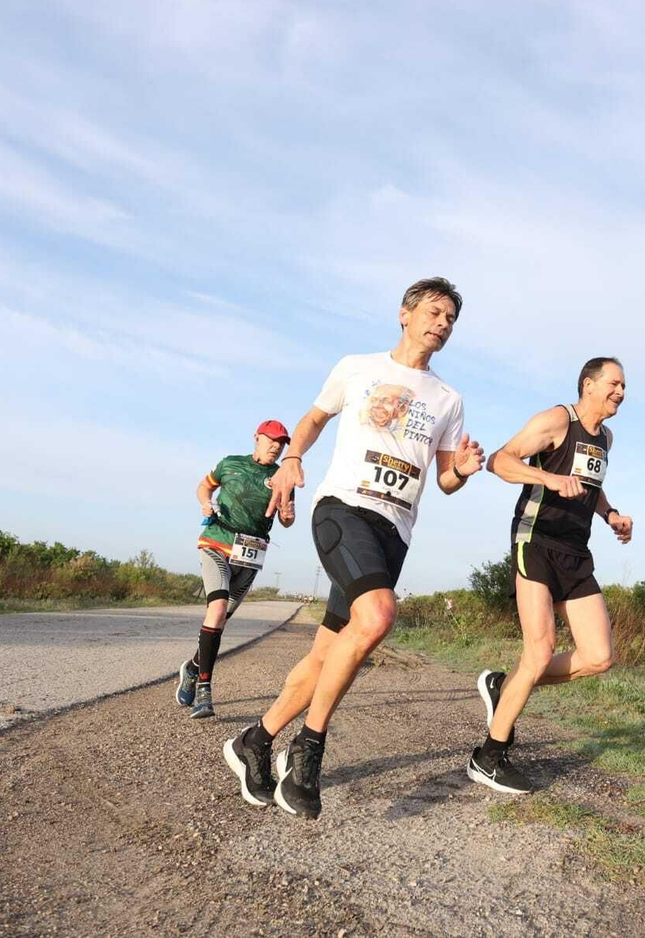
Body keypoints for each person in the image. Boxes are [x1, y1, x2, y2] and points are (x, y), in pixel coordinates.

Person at [222, 277, 486, 817]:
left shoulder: (449, 400)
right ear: (405, 314)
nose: (442, 324)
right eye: (434, 312)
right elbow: (315, 418)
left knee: (326, 655)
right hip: (343, 510)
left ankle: (257, 738)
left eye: (451, 319)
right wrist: (292, 458)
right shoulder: (358, 367)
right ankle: (309, 749)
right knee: (378, 616)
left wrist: (461, 469)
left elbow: (445, 481)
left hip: (395, 530)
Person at [469, 357, 632, 793]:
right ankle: (488, 757)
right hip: (535, 540)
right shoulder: (558, 420)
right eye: (614, 383)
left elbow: (591, 488)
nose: (621, 392)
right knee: (539, 651)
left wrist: (610, 513)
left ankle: (505, 685)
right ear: (589, 384)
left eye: (624, 386)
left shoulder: (606, 439)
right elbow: (501, 461)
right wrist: (548, 478)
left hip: (576, 551)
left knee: (599, 656)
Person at [175, 420, 296, 718]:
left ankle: (192, 668)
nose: (276, 446)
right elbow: (204, 486)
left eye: (282, 443)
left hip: (251, 555)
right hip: (217, 542)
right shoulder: (230, 464)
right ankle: (205, 692)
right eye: (272, 440)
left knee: (219, 622)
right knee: (215, 612)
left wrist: (287, 514)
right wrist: (206, 502)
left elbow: (286, 519)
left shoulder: (283, 477)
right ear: (257, 438)